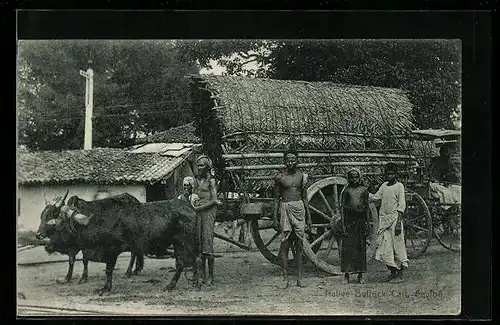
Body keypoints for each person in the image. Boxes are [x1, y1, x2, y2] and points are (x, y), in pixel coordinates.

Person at [272, 149, 312, 288]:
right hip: (285, 209)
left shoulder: (302, 177)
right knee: (285, 244)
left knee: (299, 245)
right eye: (288, 160)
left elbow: (305, 198)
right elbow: (276, 198)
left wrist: (309, 217)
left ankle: (300, 278)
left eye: (293, 160)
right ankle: (285, 278)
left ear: (297, 161)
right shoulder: (280, 178)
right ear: (284, 161)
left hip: (299, 209)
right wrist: (275, 218)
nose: (290, 163)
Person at [369, 163, 408, 283]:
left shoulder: (399, 186)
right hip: (384, 220)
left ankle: (400, 274)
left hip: (395, 219)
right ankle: (392, 272)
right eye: (387, 173)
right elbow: (376, 197)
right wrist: (366, 193)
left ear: (396, 174)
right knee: (385, 246)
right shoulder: (384, 186)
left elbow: (401, 205)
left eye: (391, 173)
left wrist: (397, 224)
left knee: (397, 245)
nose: (389, 175)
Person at [191, 155, 222, 286]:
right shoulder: (196, 181)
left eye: (202, 165)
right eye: (198, 166)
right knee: (198, 244)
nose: (199, 168)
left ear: (207, 167)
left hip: (208, 212)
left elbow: (214, 201)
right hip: (197, 212)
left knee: (207, 243)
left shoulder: (211, 181)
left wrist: (200, 207)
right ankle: (201, 275)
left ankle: (211, 276)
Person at [340, 168, 369, 284]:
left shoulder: (364, 190)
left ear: (359, 177)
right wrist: (343, 224)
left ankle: (360, 275)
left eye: (356, 177)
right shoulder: (346, 191)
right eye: (351, 177)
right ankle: (346, 275)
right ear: (348, 178)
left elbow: (366, 207)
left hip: (360, 221)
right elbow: (342, 208)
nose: (354, 179)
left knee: (360, 248)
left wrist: (367, 223)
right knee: (347, 248)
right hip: (349, 221)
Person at [429, 144, 461, 210]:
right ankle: (449, 208)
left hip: (447, 183)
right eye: (444, 152)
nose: (446, 155)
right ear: (440, 153)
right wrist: (435, 180)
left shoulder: (449, 163)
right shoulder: (435, 162)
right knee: (446, 192)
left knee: (458, 189)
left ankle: (457, 206)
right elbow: (430, 174)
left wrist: (451, 177)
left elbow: (457, 174)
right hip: (435, 183)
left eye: (447, 153)